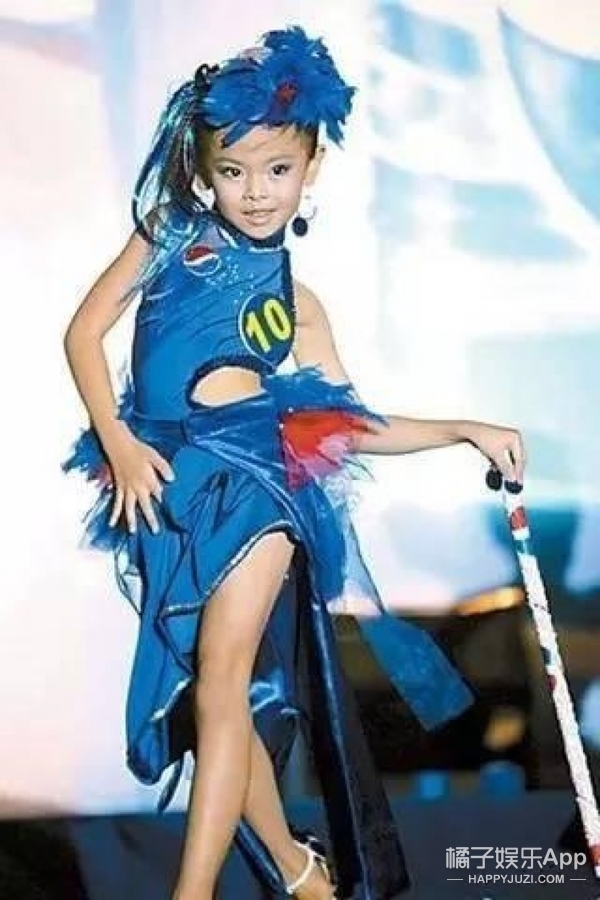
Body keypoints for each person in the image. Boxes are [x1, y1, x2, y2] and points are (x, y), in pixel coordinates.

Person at [63, 26, 526, 900]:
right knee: (210, 698)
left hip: (259, 487)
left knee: (225, 680)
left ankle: (192, 894)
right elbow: (84, 334)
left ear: (312, 168)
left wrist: (463, 428)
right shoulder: (168, 237)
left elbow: (348, 426)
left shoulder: (298, 303)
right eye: (234, 171)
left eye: (278, 169)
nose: (256, 190)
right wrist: (118, 441)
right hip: (165, 484)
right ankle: (298, 870)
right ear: (204, 171)